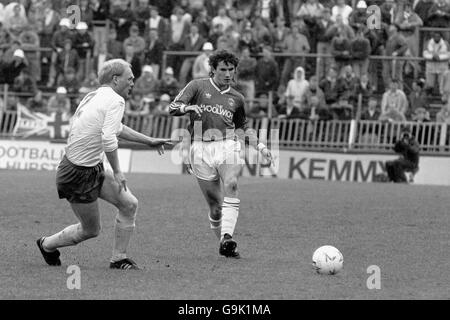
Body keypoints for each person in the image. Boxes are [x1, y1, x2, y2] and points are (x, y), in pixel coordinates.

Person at [36, 59, 172, 270]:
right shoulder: (115, 101)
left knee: (129, 204)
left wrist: (149, 141)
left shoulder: (95, 95)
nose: (133, 83)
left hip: (90, 167)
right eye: (130, 78)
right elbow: (109, 138)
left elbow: (115, 128)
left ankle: (119, 258)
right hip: (77, 174)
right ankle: (47, 244)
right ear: (116, 79)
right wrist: (118, 171)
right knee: (90, 230)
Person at [169, 50, 273, 259]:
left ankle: (227, 236)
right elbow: (172, 107)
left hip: (227, 144)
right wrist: (187, 107)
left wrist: (260, 147)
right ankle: (224, 244)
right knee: (216, 209)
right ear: (213, 69)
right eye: (222, 69)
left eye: (231, 70)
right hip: (200, 149)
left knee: (232, 183)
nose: (227, 74)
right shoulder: (197, 86)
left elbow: (242, 128)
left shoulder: (237, 98)